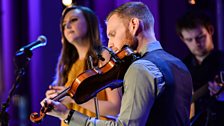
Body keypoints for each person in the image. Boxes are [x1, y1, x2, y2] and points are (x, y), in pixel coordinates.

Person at [45, 2, 192, 125]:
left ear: (134, 25)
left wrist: (67, 114)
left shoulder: (140, 68)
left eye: (113, 35)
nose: (110, 45)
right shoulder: (180, 65)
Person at [42, 5, 122, 126]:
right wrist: (55, 101)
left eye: (73, 20)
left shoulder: (103, 56)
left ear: (90, 24)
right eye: (64, 24)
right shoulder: (67, 65)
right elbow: (67, 112)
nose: (67, 26)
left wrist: (73, 98)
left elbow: (116, 108)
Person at [176, 10, 224, 126]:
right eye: (189, 40)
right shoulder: (180, 67)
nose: (196, 43)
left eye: (200, 37)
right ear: (182, 39)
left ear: (210, 30)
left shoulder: (222, 62)